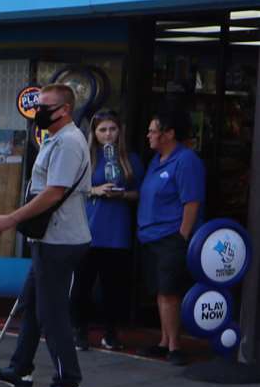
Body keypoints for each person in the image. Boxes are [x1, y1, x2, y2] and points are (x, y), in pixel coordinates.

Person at [0, 84, 91, 387]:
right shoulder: (56, 140)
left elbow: (53, 193)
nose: (39, 112)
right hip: (48, 237)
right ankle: (21, 368)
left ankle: (69, 383)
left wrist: (13, 218)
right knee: (32, 303)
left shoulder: (69, 143)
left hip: (60, 240)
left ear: (65, 110)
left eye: (45, 106)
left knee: (52, 312)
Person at [135, 111, 205, 365]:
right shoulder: (156, 160)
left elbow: (192, 201)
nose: (149, 135)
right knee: (159, 291)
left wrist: (182, 236)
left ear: (169, 133)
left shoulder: (186, 160)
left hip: (170, 236)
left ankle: (175, 346)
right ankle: (164, 341)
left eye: (153, 130)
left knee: (169, 292)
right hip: (150, 236)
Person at [71, 110, 140, 352]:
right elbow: (73, 189)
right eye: (102, 130)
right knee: (82, 285)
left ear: (119, 130)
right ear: (94, 133)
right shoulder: (86, 157)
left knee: (114, 288)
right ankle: (79, 330)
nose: (108, 134)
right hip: (88, 230)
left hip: (117, 232)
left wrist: (122, 194)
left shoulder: (129, 157)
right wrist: (95, 190)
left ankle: (110, 333)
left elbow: (138, 192)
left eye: (112, 128)